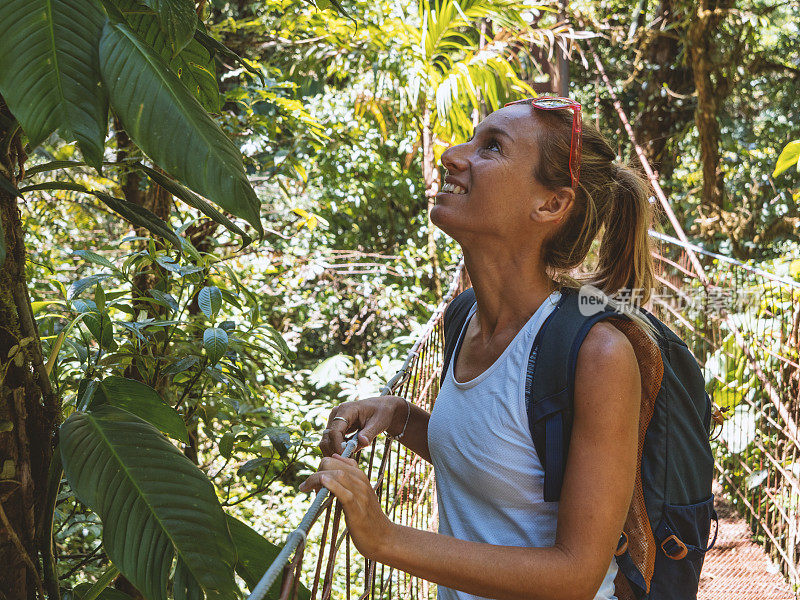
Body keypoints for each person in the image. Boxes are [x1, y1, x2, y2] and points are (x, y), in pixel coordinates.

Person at [299, 97, 656, 600]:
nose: (452, 154)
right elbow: (505, 460)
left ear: (551, 204)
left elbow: (576, 573)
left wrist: (385, 538)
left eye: (491, 148)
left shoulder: (598, 355)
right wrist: (403, 418)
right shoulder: (463, 317)